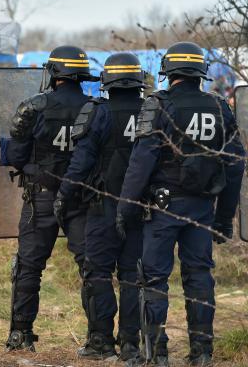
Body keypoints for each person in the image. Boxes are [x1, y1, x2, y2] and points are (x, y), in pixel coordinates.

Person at [118, 42, 245, 367]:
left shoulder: (157, 105)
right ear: (200, 73)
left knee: (154, 279)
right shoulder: (219, 107)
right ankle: (202, 353)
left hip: (162, 209)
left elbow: (141, 162)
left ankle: (156, 353)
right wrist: (224, 218)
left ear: (169, 72)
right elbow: (235, 163)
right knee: (200, 276)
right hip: (202, 208)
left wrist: (126, 207)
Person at [0, 45, 96, 352]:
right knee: (91, 267)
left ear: (54, 74)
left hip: (40, 197)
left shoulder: (34, 106)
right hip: (81, 198)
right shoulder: (95, 108)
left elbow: (15, 155)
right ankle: (99, 338)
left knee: (28, 266)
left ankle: (21, 335)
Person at [55, 53, 147, 361]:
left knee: (98, 275)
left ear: (107, 81)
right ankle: (132, 343)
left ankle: (101, 342)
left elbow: (81, 162)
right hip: (141, 210)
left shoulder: (98, 112)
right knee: (133, 276)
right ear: (138, 79)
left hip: (103, 207)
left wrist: (63, 196)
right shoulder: (154, 111)